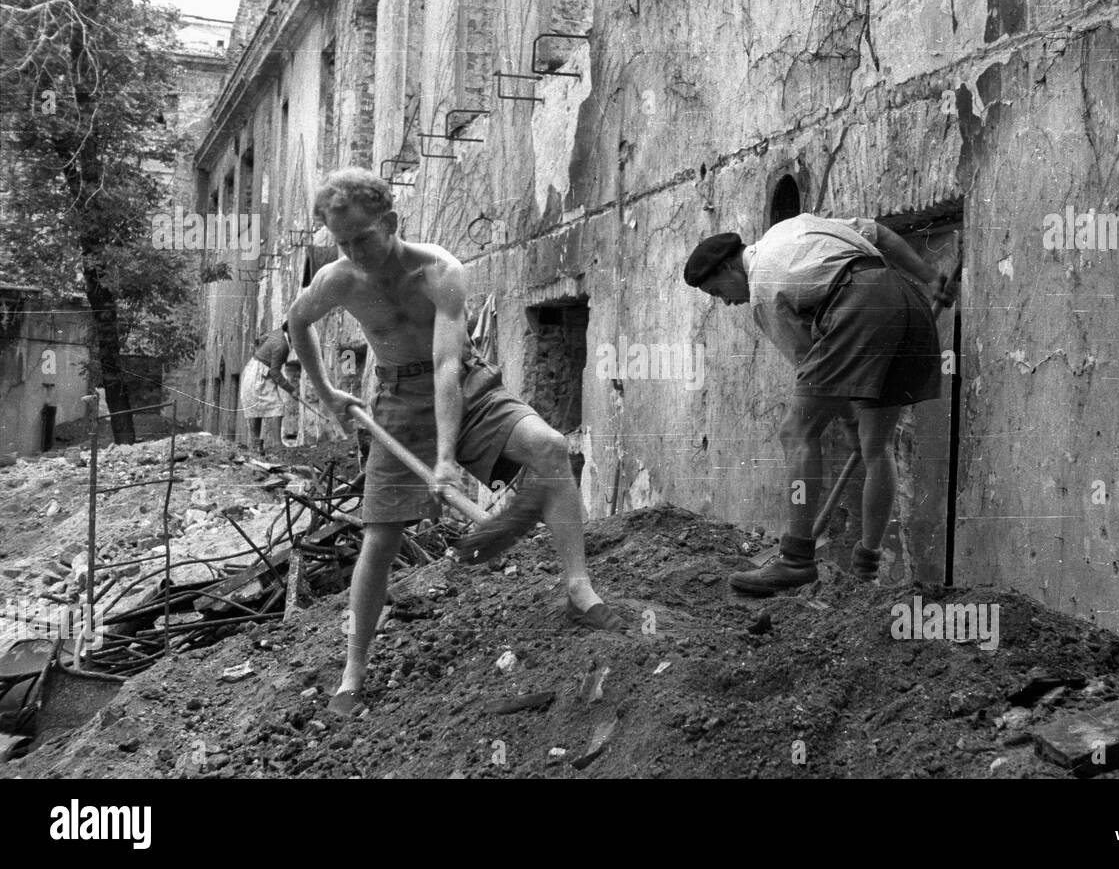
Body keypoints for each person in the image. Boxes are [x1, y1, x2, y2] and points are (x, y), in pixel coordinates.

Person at [287, 167, 622, 718]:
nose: (355, 253)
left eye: (363, 239)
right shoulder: (338, 281)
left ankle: (580, 590)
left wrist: (446, 460)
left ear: (390, 222)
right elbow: (298, 323)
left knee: (551, 447)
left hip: (466, 384)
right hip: (397, 403)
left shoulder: (439, 271)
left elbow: (446, 366)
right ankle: (352, 672)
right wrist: (328, 392)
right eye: (341, 242)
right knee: (380, 538)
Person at [683, 213, 954, 596]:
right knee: (877, 446)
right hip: (907, 302)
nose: (726, 302)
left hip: (857, 307)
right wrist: (929, 277)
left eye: (717, 291)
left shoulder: (764, 293)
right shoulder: (794, 228)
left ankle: (795, 559)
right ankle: (868, 567)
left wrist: (846, 421)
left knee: (796, 432)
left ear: (729, 266)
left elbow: (813, 365)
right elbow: (881, 236)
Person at [238, 321, 297, 453]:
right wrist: (291, 390)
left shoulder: (279, 333)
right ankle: (277, 444)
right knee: (276, 407)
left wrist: (262, 352)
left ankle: (255, 446)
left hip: (255, 370)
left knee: (257, 409)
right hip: (259, 375)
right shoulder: (282, 345)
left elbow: (261, 339)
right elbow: (275, 373)